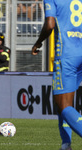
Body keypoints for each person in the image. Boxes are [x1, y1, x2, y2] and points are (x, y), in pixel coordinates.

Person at [31, 0, 82, 149]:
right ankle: (65, 144)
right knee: (65, 105)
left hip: (66, 55)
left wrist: (39, 42)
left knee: (64, 105)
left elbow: (50, 24)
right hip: (80, 52)